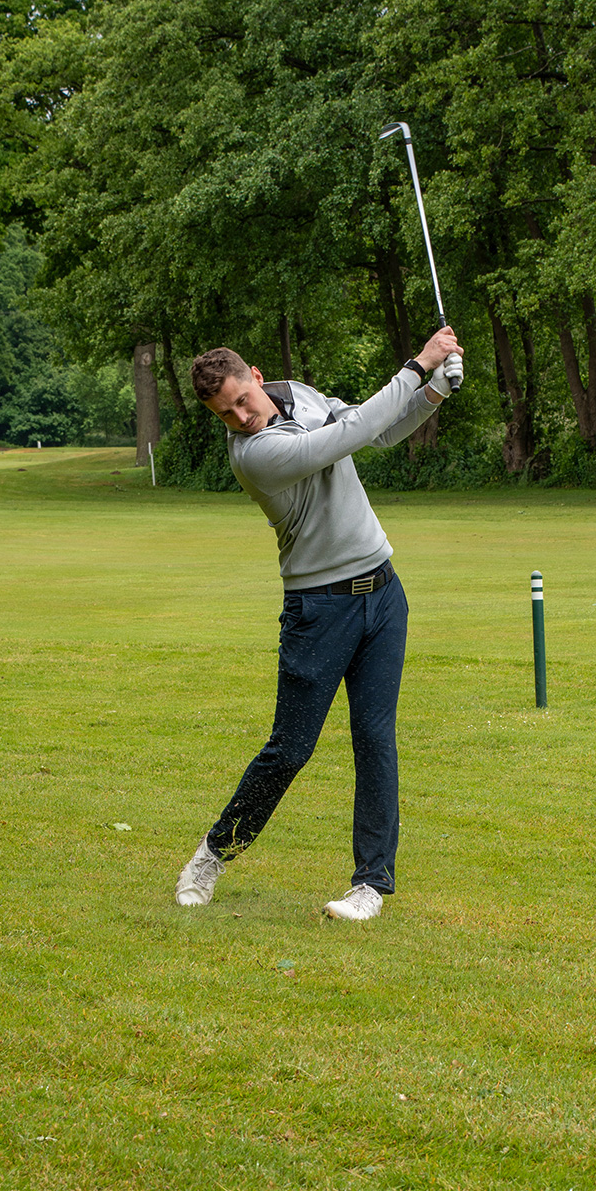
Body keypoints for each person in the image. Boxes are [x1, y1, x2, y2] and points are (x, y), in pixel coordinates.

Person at [175, 326, 464, 920]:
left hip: (383, 593)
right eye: (225, 414)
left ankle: (370, 885)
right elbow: (346, 436)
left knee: (375, 739)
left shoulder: (300, 395)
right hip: (319, 609)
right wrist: (419, 365)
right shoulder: (255, 456)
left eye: (243, 401)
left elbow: (377, 430)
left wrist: (433, 394)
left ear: (257, 377)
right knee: (290, 749)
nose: (241, 418)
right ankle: (212, 854)